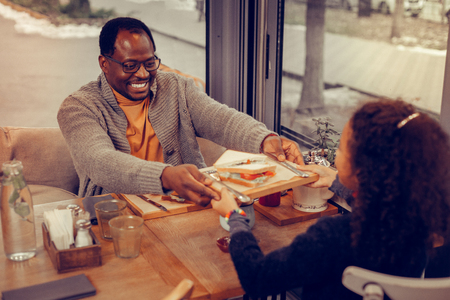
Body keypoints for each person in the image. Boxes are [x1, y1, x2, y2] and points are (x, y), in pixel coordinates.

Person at [212, 99, 450, 300]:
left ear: (362, 170)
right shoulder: (420, 227)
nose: (336, 153)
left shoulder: (332, 236)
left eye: (342, 149)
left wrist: (235, 217)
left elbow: (257, 279)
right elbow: (376, 213)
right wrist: (338, 184)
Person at [57, 17, 303, 205]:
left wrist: (264, 139)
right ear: (104, 63)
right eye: (130, 65)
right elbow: (100, 163)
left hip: (185, 204)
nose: (143, 74)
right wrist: (165, 176)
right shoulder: (78, 107)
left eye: (150, 63)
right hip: (113, 215)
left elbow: (221, 119)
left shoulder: (176, 87)